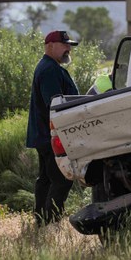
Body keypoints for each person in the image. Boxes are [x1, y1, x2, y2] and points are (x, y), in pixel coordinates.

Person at [26, 30, 80, 225]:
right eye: (64, 44)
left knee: (47, 179)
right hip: (51, 134)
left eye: (69, 45)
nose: (68, 48)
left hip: (44, 134)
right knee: (61, 179)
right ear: (49, 46)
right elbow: (55, 104)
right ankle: (51, 222)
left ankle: (41, 221)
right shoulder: (49, 69)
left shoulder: (50, 66)